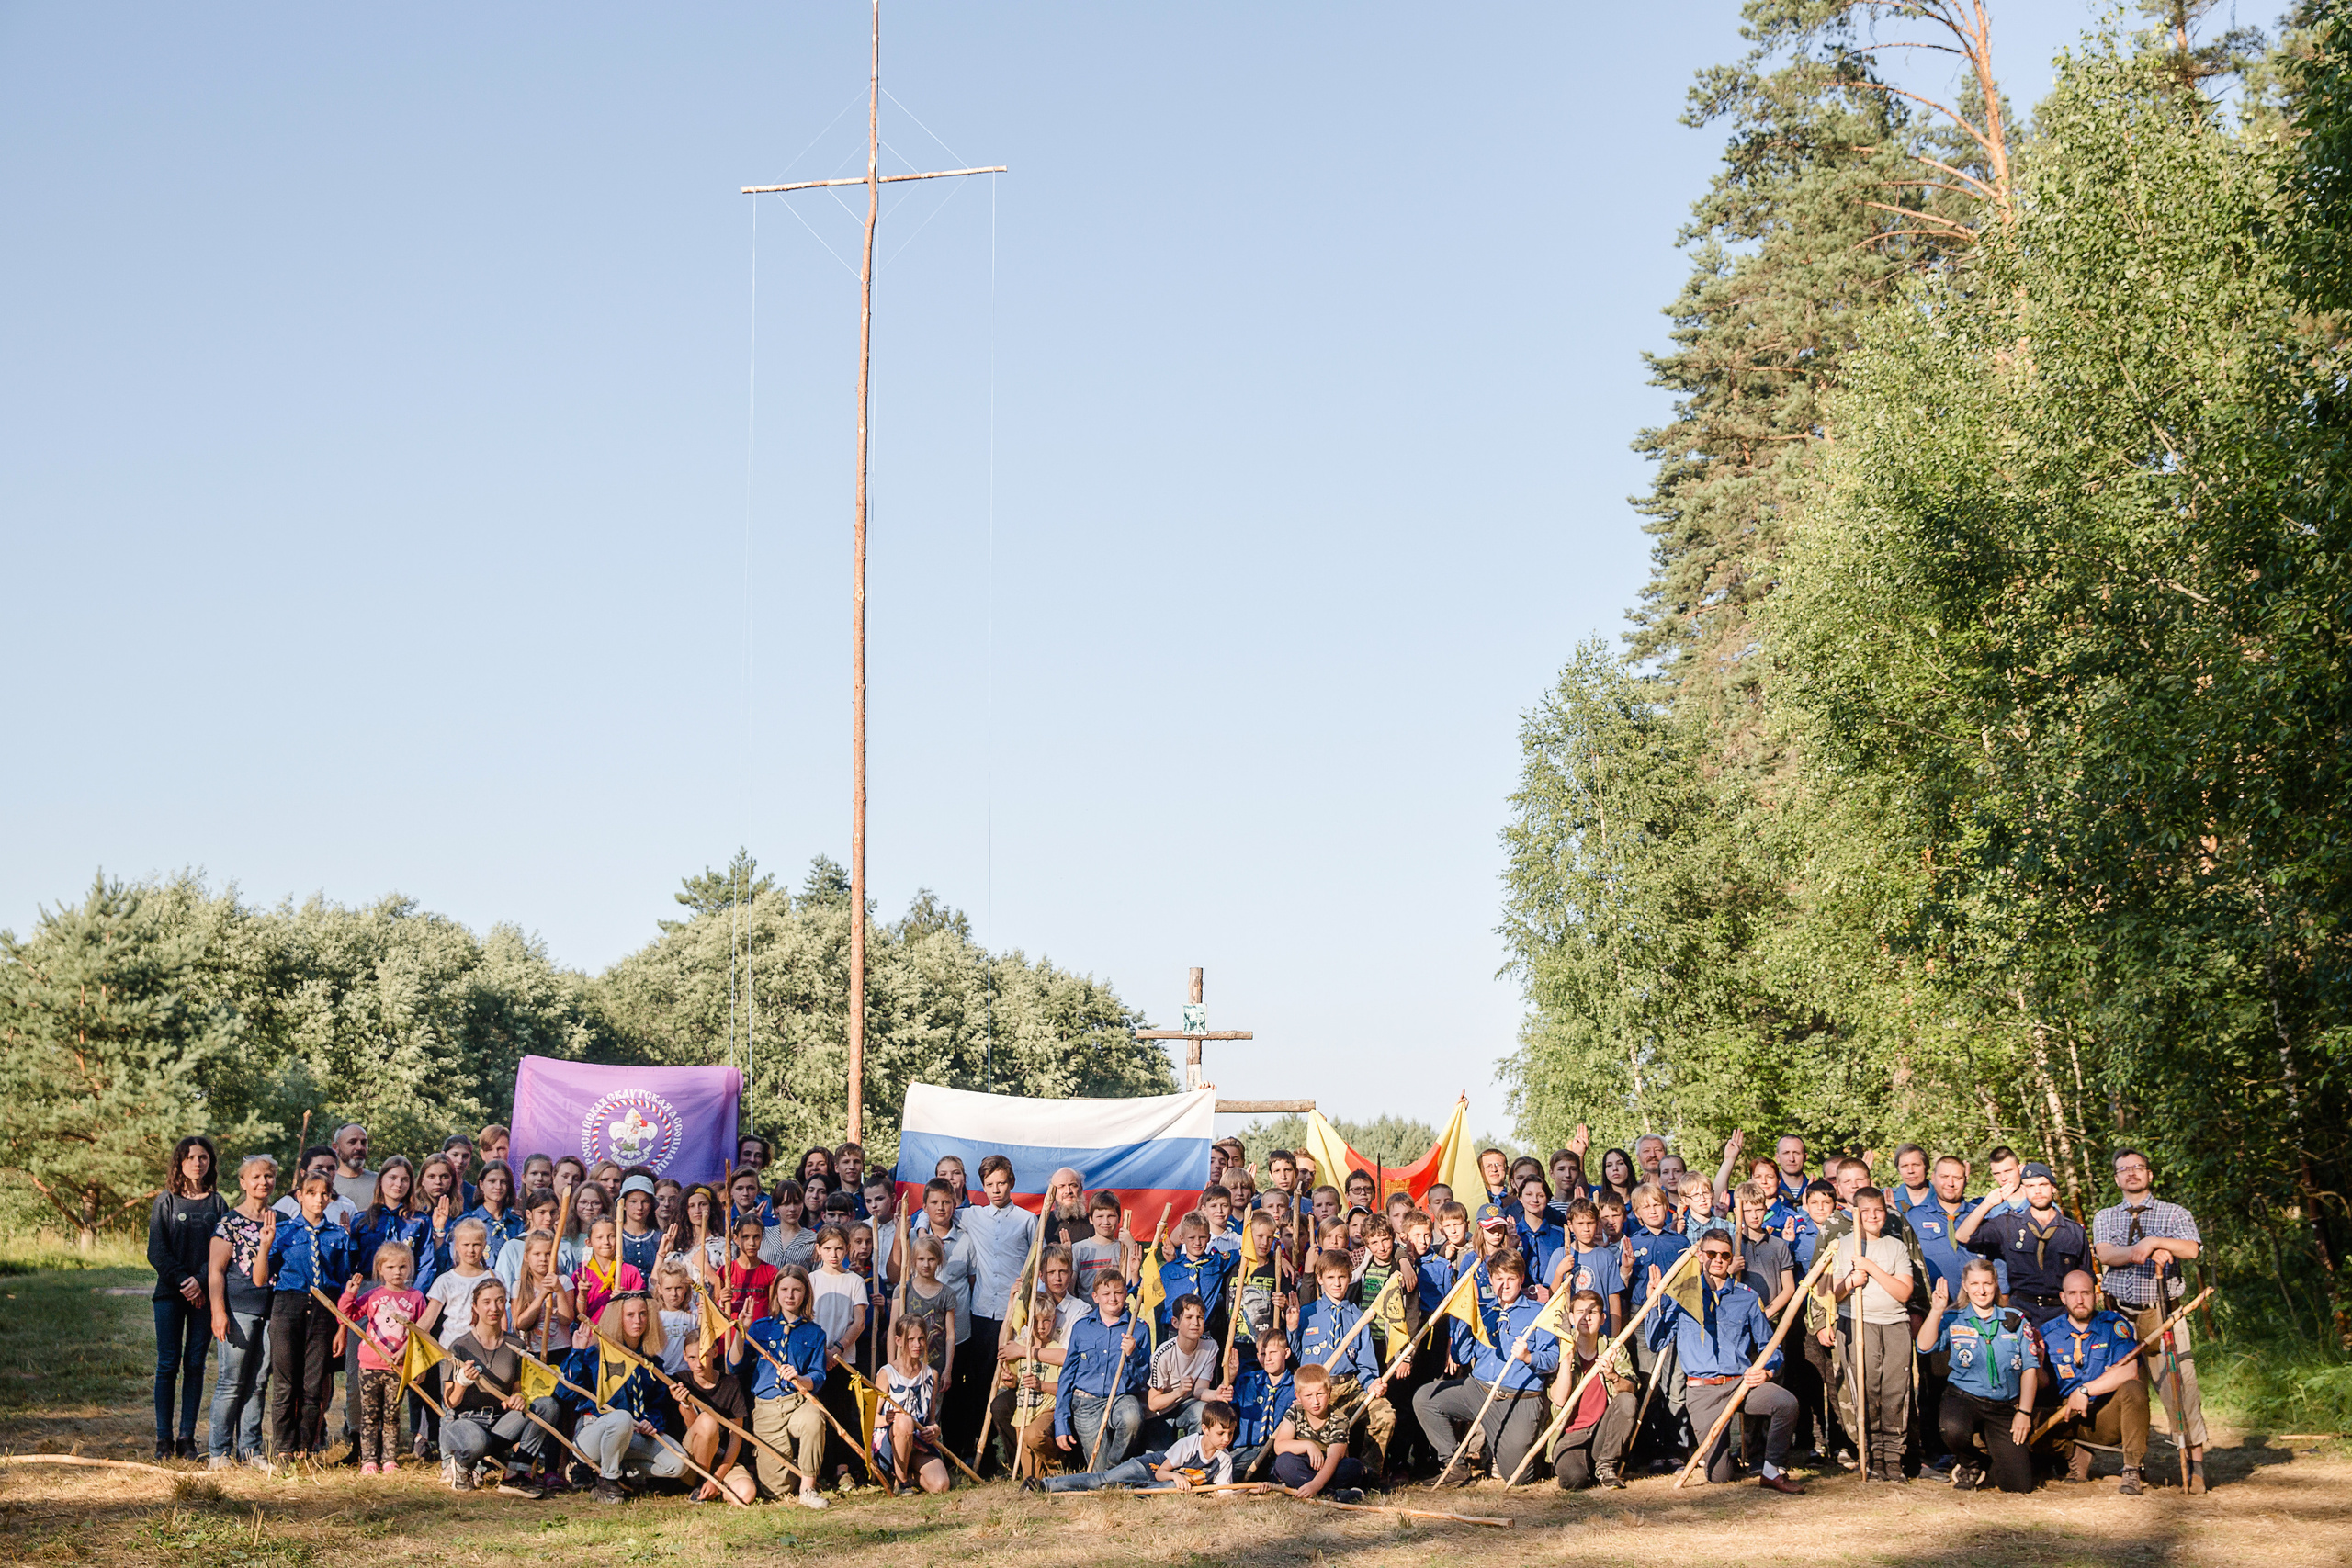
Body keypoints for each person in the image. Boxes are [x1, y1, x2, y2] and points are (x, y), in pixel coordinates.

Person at [1648, 1230, 1806, 1492]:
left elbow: (1770, 1346)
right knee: (1719, 1476)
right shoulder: (1684, 1295)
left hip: (1741, 1385)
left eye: (1725, 1255)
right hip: (1703, 1392)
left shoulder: (1747, 1296)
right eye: (1711, 1254)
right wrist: (1655, 1303)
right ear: (1701, 1256)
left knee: (1786, 1403)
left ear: (1731, 1258)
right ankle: (1725, 1458)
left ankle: (1772, 1471)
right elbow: (1656, 1342)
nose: (1718, 1260)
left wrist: (1766, 1371)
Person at [2092, 1147, 2208, 1494]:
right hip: (2117, 1317)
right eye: (2123, 1169)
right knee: (2128, 1389)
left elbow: (2191, 1249)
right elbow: (2104, 1253)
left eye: (2138, 1167)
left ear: (2149, 1174)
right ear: (2116, 1178)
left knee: (2180, 1386)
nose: (2131, 1173)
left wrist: (2156, 1240)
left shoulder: (2175, 1213)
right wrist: (2140, 1251)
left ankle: (2196, 1466)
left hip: (2163, 1313)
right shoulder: (2106, 1217)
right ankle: (2133, 1464)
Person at [1414, 1249, 1555, 1486]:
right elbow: (1461, 1357)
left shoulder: (1539, 1313)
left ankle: (1524, 1453)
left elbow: (1552, 1360)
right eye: (1499, 1278)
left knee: (1517, 1478)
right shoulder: (1483, 1311)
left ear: (1522, 1279)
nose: (1505, 1285)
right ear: (1490, 1280)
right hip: (1478, 1391)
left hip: (1518, 1397)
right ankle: (1454, 1466)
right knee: (1425, 1398)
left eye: (1511, 1278)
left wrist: (1528, 1357)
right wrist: (1465, 1326)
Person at [254, 1170, 357, 1461]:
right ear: (300, 1196)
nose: (318, 1199)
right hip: (288, 1306)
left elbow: (343, 1286)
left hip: (324, 1310)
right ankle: (283, 1447)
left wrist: (342, 1327)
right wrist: (265, 1245)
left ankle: (305, 1446)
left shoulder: (338, 1235)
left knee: (314, 1383)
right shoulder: (283, 1232)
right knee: (285, 1382)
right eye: (311, 1193)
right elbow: (260, 1279)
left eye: (324, 1194)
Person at [1917, 1259, 2039, 1494]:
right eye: (1974, 1284)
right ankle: (1969, 1463)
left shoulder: (2015, 1320)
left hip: (2003, 1405)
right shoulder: (1954, 1319)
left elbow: (2030, 1368)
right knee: (1952, 1428)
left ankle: (1987, 1466)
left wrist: (2024, 1412)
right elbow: (1924, 1346)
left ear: (1996, 1285)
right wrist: (1937, 1310)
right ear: (1965, 1286)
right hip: (1964, 1397)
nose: (1981, 1290)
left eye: (1987, 1284)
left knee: (2019, 1486)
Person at [563, 1292, 683, 1506]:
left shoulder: (652, 1363)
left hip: (633, 1433)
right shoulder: (596, 1355)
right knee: (621, 1417)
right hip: (596, 1431)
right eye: (630, 1315)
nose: (638, 1321)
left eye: (643, 1314)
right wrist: (577, 1353)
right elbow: (567, 1392)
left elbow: (656, 1405)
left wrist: (651, 1422)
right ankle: (607, 1482)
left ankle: (622, 1473)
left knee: (677, 1464)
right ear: (617, 1318)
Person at [149, 1134, 225, 1461]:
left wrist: (201, 1281)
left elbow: (223, 1249)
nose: (197, 1162)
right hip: (170, 1294)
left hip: (204, 1297)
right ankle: (163, 1439)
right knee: (168, 1364)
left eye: (203, 1157)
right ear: (180, 1162)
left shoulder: (218, 1204)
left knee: (195, 1364)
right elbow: (157, 1250)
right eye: (191, 1157)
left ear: (210, 1162)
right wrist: (184, 1281)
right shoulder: (165, 1202)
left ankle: (186, 1438)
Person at [441, 1277, 555, 1496]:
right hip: (464, 1425)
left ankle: (516, 1475)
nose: (494, 1308)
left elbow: (516, 1389)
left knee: (547, 1406)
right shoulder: (460, 1346)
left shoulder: (515, 1346)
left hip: (499, 1424)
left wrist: (518, 1397)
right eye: (486, 1302)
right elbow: (450, 1402)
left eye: (500, 1300)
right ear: (475, 1306)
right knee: (478, 1442)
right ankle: (462, 1468)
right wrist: (462, 1382)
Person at [2041, 1269, 2150, 1495]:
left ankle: (2132, 1468)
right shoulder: (2049, 1333)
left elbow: (2130, 1371)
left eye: (2085, 1293)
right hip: (2065, 1416)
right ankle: (2073, 1453)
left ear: (2096, 1295)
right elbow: (2040, 1383)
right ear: (2063, 1297)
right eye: (2073, 1293)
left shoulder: (2112, 1325)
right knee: (2018, 1422)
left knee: (2134, 1388)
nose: (2079, 1300)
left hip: (2103, 1414)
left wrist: (2085, 1390)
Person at [1831, 1188, 1914, 1482]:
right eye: (1865, 1211)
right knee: (1867, 1390)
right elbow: (1832, 1294)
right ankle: (1874, 1455)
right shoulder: (1844, 1245)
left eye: (1878, 1210)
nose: (1873, 1216)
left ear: (1885, 1212)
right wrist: (1851, 1281)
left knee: (1895, 1391)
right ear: (1855, 1214)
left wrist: (1871, 1268)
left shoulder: (1896, 1247)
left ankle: (1894, 1457)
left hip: (1894, 1324)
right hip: (1858, 1323)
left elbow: (1904, 1292)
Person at [207, 1152, 278, 1472]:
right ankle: (219, 1452)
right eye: (256, 1177)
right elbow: (216, 1271)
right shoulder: (229, 1223)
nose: (263, 1182)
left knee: (259, 1381)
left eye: (268, 1176)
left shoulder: (280, 1220)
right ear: (243, 1182)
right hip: (239, 1310)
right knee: (231, 1382)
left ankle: (251, 1451)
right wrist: (218, 1311)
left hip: (272, 1310)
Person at [741, 1267, 833, 1508]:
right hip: (767, 1408)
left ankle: (807, 1489)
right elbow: (735, 1364)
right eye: (784, 1289)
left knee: (814, 1419)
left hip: (798, 1402)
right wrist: (742, 1332)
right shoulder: (761, 1327)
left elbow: (818, 1375)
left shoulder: (815, 1333)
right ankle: (793, 1467)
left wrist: (800, 1379)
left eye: (796, 1290)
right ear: (776, 1293)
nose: (790, 1295)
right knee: (776, 1490)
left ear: (806, 1294)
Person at [336, 1239, 426, 1475]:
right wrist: (350, 1293)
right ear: (380, 1269)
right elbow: (346, 1315)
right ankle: (368, 1459)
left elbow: (421, 1335)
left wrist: (418, 1365)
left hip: (397, 1367)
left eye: (402, 1267)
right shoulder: (373, 1295)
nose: (397, 1272)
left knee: (392, 1415)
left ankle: (389, 1458)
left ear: (410, 1268)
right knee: (369, 1414)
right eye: (391, 1267)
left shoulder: (416, 1297)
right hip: (370, 1365)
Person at [1958, 1160, 2086, 1325]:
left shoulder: (2074, 1232)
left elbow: (2086, 1277)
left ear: (2053, 1187)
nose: (2037, 1191)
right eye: (2031, 1186)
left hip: (2063, 1313)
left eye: (2043, 1185)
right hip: (2021, 1314)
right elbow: (1963, 1236)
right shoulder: (2007, 1225)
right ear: (2024, 1190)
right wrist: (1988, 1204)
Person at [1054, 1266, 1148, 1471]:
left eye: (1118, 1292)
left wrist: (1134, 1354)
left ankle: (1115, 1467)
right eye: (1106, 1294)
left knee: (1132, 1418)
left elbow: (1143, 1379)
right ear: (1095, 1297)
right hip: (1086, 1403)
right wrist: (1061, 1421)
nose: (1112, 1298)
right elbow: (1067, 1375)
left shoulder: (1139, 1328)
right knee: (1099, 1471)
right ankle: (1109, 1473)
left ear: (1126, 1294)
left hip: (1121, 1399)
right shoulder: (1082, 1328)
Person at [1036, 1399, 1238, 1494]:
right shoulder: (1190, 1444)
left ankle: (1131, 1491)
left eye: (1230, 1433)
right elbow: (1161, 1473)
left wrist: (1248, 1492)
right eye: (1221, 1433)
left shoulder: (1224, 1459)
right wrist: (1176, 1476)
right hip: (1148, 1467)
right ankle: (1047, 1485)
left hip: (1159, 1486)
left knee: (1172, 1489)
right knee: (1102, 1480)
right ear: (1205, 1429)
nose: (1226, 1439)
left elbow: (1224, 1493)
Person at [1545, 1289, 1635, 1490]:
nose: (1586, 1317)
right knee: (1575, 1481)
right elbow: (1559, 1399)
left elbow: (1631, 1388)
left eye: (1592, 1312)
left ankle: (1605, 1465)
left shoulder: (1614, 1348)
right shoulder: (1560, 1348)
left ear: (1602, 1319)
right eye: (1581, 1312)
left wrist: (1613, 1376)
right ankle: (1585, 1468)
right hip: (1569, 1435)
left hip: (1601, 1432)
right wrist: (1566, 1362)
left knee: (1627, 1400)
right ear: (1571, 1318)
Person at [873, 1316, 950, 1494]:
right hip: (892, 1442)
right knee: (905, 1421)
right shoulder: (887, 1373)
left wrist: (934, 1429)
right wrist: (887, 1419)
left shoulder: (931, 1375)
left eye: (921, 1339)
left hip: (918, 1444)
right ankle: (901, 1483)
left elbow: (931, 1419)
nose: (917, 1345)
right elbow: (872, 1420)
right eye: (911, 1339)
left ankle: (908, 1474)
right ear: (898, 1341)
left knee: (941, 1486)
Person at [678, 1329, 756, 1504]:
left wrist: (717, 1478)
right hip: (691, 1461)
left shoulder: (730, 1385)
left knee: (746, 1494)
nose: (698, 1364)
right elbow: (692, 1426)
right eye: (692, 1358)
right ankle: (701, 1483)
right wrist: (685, 1404)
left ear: (715, 1352)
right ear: (684, 1356)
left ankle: (712, 1489)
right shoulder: (680, 1382)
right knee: (707, 1420)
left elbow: (736, 1437)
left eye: (704, 1356)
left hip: (721, 1459)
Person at [1272, 1362, 1367, 1500]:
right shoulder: (1294, 1412)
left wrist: (1316, 1485)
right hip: (1305, 1464)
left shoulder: (1339, 1419)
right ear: (1298, 1396)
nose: (1315, 1401)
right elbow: (1279, 1446)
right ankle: (1331, 1494)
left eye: (1320, 1394)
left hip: (1330, 1467)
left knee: (1353, 1467)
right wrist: (1308, 1445)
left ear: (1329, 1392)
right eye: (1308, 1396)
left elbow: (1334, 1457)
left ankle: (1308, 1489)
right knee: (1283, 1462)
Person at [1143, 1295, 1223, 1446]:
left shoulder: (1210, 1346)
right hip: (1159, 1413)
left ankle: (1193, 1453)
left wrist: (1216, 1395)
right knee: (1161, 1457)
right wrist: (1178, 1392)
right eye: (1189, 1317)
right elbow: (1153, 1403)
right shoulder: (1163, 1355)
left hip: (1186, 1404)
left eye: (1200, 1317)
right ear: (1175, 1322)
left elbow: (1199, 1391)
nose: (1195, 1323)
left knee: (1203, 1411)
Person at [1228, 1325, 1295, 1479]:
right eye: (1263, 1354)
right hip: (1247, 1450)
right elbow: (1226, 1414)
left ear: (1286, 1353)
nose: (1268, 1359)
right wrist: (1229, 1380)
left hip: (1279, 1452)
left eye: (1273, 1353)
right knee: (1223, 1471)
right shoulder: (1247, 1382)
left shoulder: (1296, 1387)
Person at [576, 1218, 647, 1325]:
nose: (606, 1242)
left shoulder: (630, 1272)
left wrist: (627, 1298)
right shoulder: (582, 1275)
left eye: (611, 1236)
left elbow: (643, 1305)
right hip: (591, 1332)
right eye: (599, 1237)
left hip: (621, 1331)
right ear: (588, 1242)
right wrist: (582, 1295)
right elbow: (578, 1317)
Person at [1071, 1192, 1125, 1299]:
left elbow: (1131, 1285)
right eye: (1100, 1216)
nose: (1106, 1222)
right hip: (1087, 1308)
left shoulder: (1123, 1249)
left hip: (1116, 1307)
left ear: (1119, 1218)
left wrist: (1131, 1247)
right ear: (1091, 1219)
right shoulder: (1078, 1249)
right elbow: (1070, 1289)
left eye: (1111, 1216)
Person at [616, 1174, 662, 1278]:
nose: (639, 1207)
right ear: (623, 1205)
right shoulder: (614, 1236)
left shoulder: (660, 1237)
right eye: (633, 1201)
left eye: (645, 1202)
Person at [331, 1123, 375, 1213]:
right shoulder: (327, 1185)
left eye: (363, 1142)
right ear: (336, 1147)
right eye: (352, 1142)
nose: (359, 1147)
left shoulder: (381, 1183)